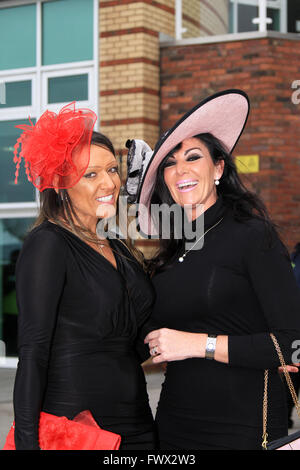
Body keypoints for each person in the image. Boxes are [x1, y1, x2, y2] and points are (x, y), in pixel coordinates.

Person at [125, 90, 300, 450]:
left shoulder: (253, 237)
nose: (181, 171)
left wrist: (195, 344)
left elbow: (293, 345)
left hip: (246, 426)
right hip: (175, 424)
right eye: (170, 163)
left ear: (218, 167)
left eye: (193, 157)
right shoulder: (170, 254)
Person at [11, 102, 156, 450]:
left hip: (137, 423)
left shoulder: (119, 246)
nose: (109, 183)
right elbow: (33, 353)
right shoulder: (48, 244)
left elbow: (139, 337)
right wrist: (27, 443)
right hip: (76, 428)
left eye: (112, 169)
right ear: (61, 183)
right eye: (90, 175)